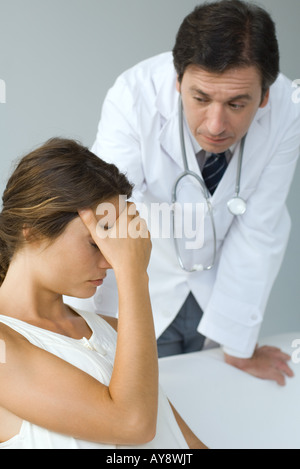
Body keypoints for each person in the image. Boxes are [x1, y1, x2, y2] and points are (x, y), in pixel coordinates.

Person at [84, 0, 300, 385]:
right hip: (138, 288)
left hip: (216, 297)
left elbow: (260, 226)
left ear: (264, 97)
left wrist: (238, 345)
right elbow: (105, 215)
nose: (216, 125)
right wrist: (78, 329)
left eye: (236, 104)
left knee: (210, 403)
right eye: (200, 99)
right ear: (177, 81)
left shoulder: (287, 108)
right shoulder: (135, 96)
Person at [0, 138, 207, 449]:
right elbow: (132, 424)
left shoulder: (114, 330)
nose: (112, 261)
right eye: (96, 243)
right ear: (34, 230)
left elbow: (181, 442)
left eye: (118, 244)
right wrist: (134, 274)